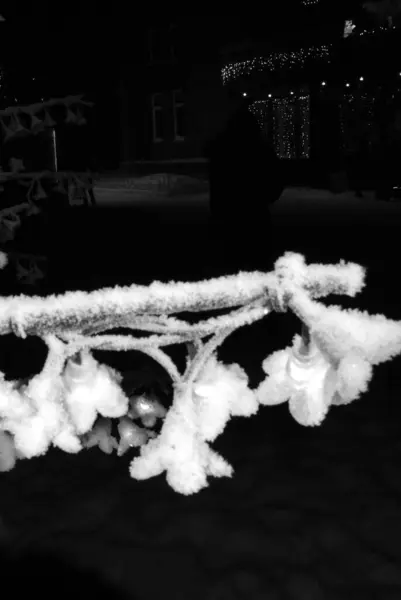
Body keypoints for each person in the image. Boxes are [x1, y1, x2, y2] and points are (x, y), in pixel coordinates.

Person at [205, 93, 285, 274]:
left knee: (232, 266)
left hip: (228, 215)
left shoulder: (222, 151)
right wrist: (265, 197)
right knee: (258, 264)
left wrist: (218, 208)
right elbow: (276, 179)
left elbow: (216, 185)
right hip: (254, 214)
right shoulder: (260, 149)